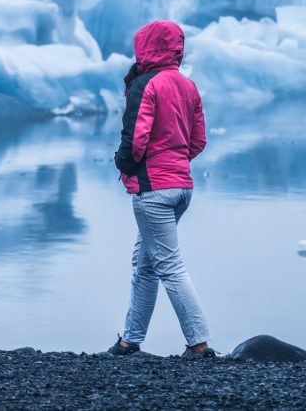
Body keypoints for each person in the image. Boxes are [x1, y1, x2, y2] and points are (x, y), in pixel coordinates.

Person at [107, 20, 215, 359]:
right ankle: (129, 342)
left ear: (146, 47)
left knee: (168, 265)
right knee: (146, 263)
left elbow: (135, 140)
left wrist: (123, 164)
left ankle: (199, 344)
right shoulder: (188, 86)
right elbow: (198, 140)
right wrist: (175, 160)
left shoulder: (145, 84)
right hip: (181, 187)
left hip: (154, 189)